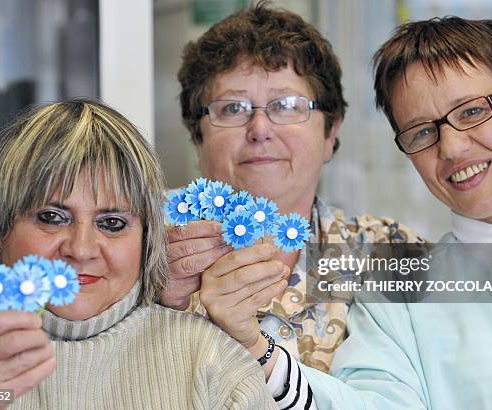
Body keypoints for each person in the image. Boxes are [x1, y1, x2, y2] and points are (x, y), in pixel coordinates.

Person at [287, 16, 492, 409]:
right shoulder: (399, 291)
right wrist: (262, 355)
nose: (451, 148)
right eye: (423, 132)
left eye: (470, 112)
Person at [163, 3, 423, 408]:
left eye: (287, 105)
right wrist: (157, 311)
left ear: (330, 132)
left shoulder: (388, 250)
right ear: (196, 136)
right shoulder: (137, 242)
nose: (260, 129)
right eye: (233, 108)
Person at [0, 99, 277, 409]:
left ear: (147, 239)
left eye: (113, 223)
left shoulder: (214, 361)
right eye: (51, 217)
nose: (81, 249)